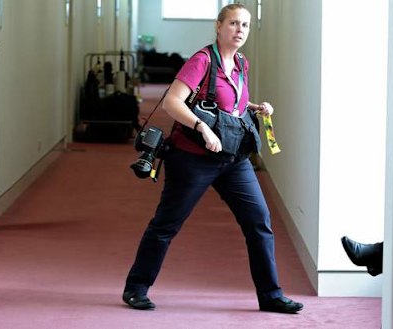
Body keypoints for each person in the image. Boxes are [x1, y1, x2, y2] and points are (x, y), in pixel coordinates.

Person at [122, 4, 303, 314]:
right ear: (219, 26)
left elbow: (231, 105)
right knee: (167, 224)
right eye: (233, 23)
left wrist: (256, 107)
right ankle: (136, 288)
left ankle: (270, 295)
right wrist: (201, 126)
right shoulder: (202, 60)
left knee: (259, 221)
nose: (240, 30)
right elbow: (172, 103)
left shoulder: (242, 63)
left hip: (233, 158)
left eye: (245, 24)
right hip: (192, 158)